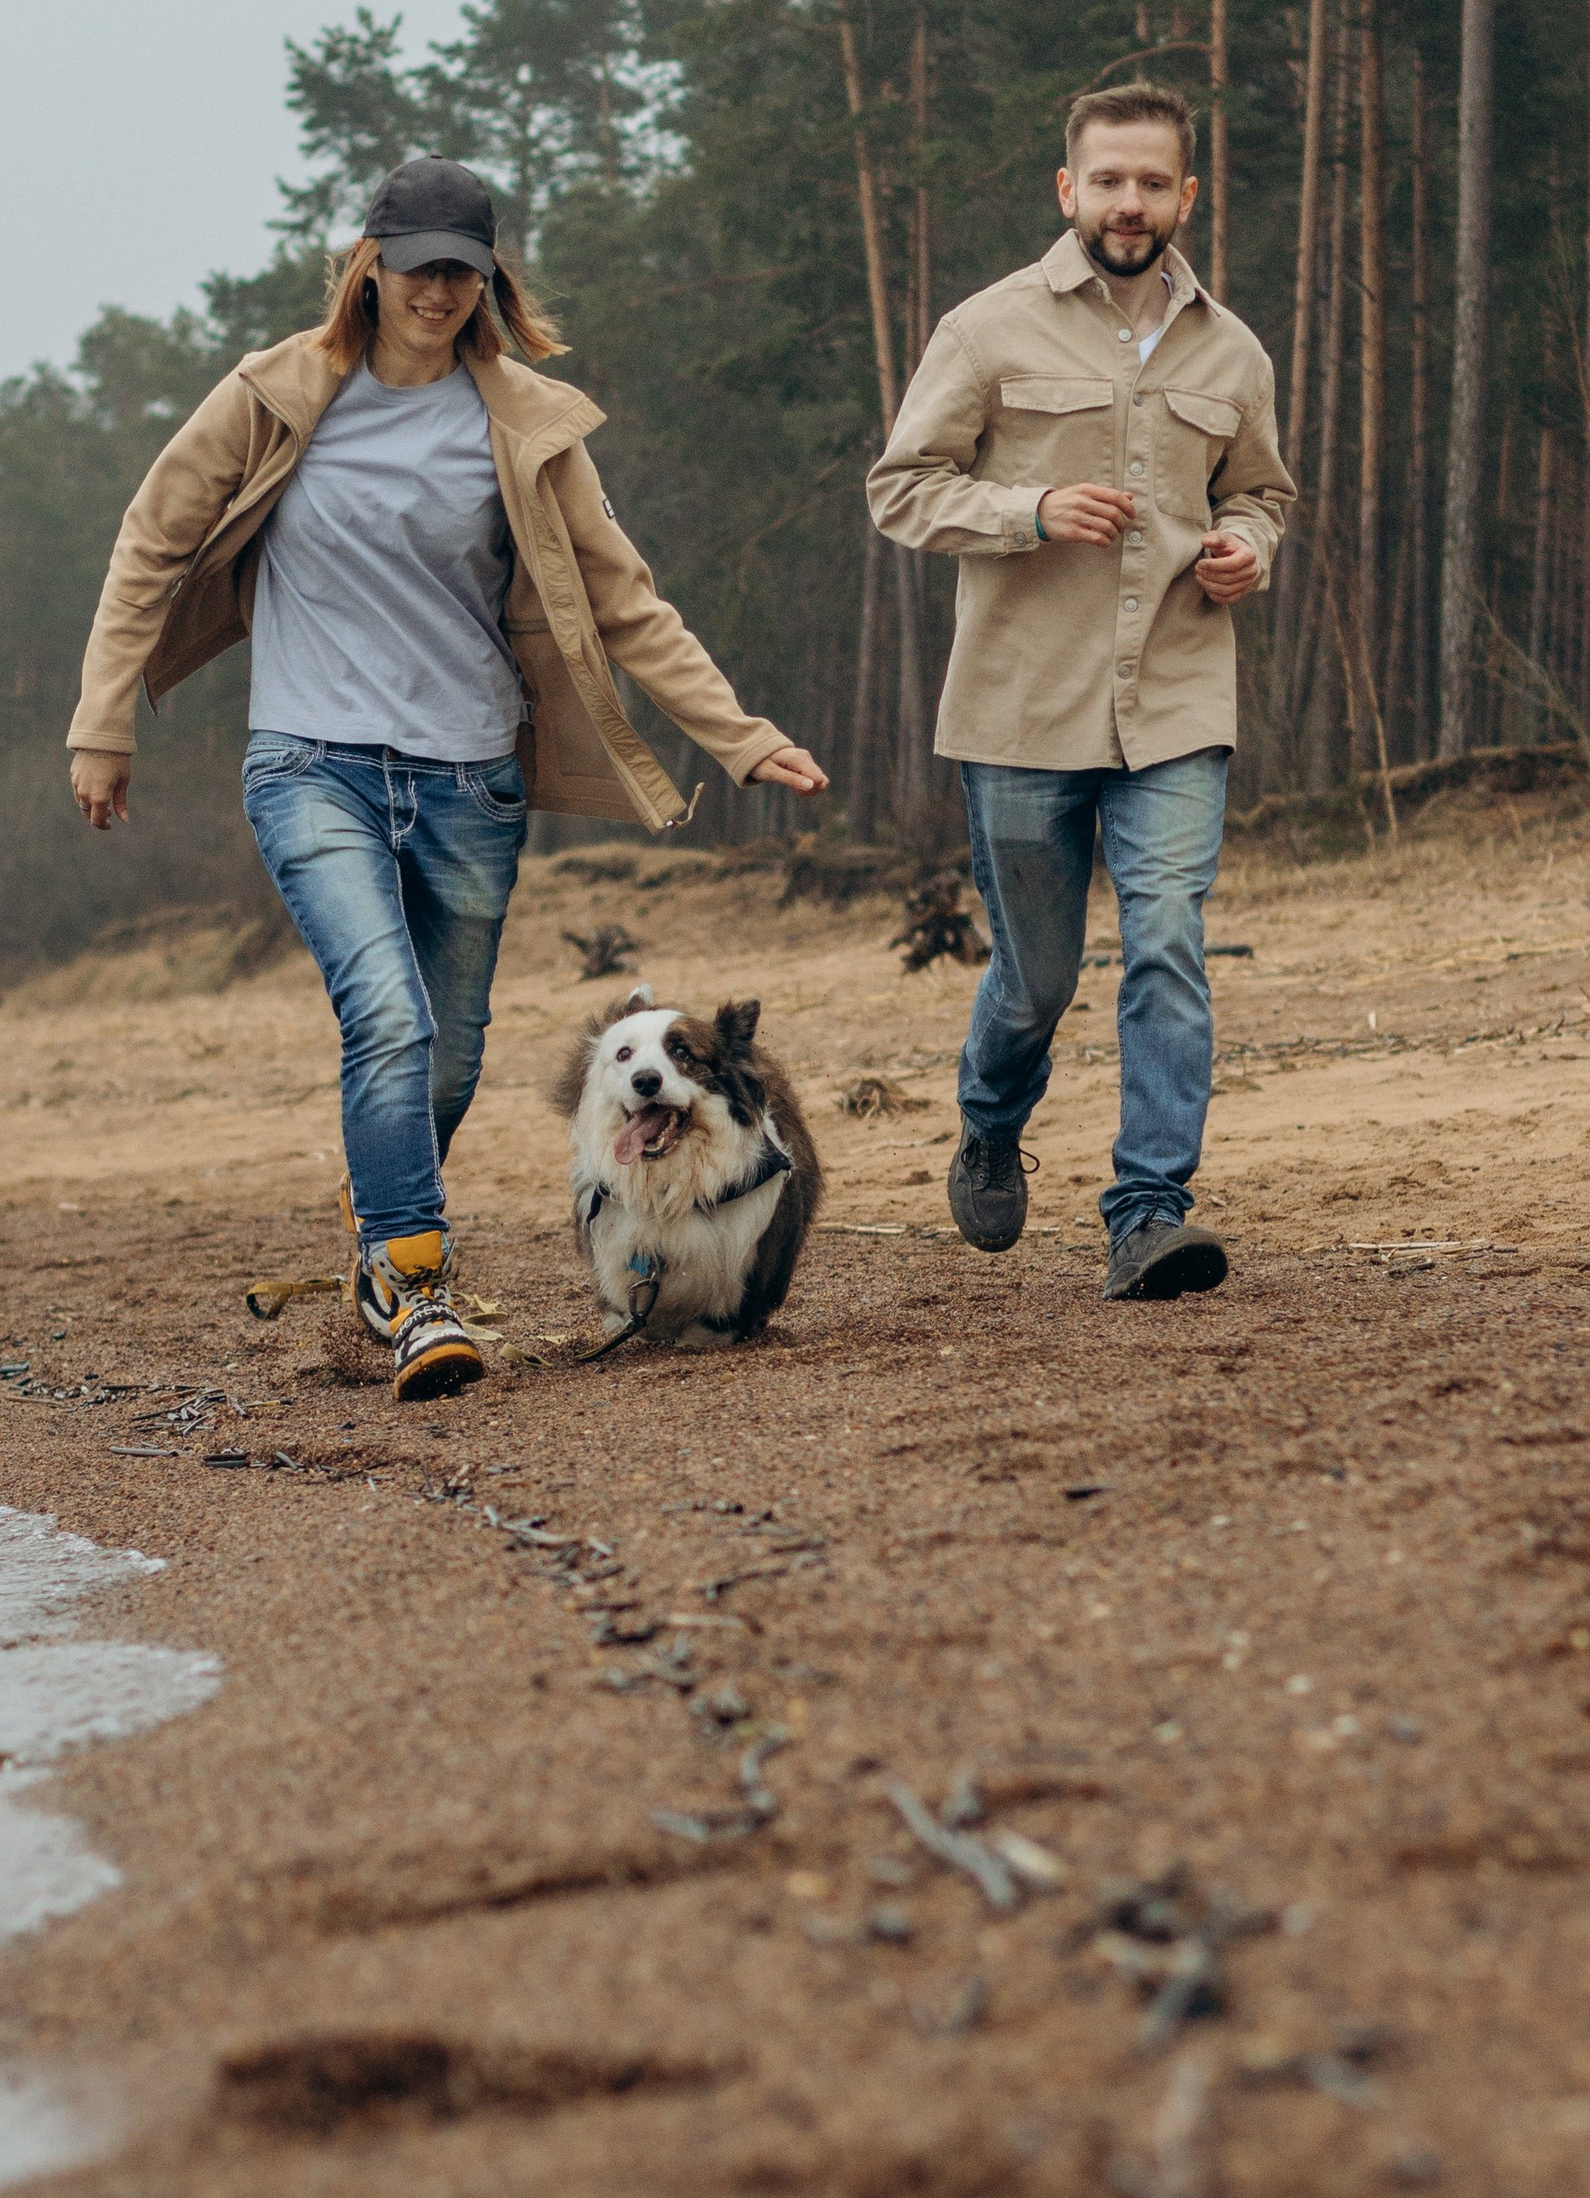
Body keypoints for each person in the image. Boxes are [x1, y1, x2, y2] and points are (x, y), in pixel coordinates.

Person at [67, 158, 828, 1397]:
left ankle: (380, 1243)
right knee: (389, 1015)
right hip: (310, 761)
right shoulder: (274, 394)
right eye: (417, 265)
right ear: (367, 261)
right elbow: (150, 542)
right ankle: (417, 1286)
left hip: (470, 775)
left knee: (451, 1058)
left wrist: (733, 732)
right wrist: (104, 720)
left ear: (489, 279)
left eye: (462, 272)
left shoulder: (523, 421)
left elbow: (625, 601)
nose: (436, 291)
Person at [867, 87, 1293, 1302]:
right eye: (1108, 180)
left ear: (1185, 197)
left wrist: (1246, 548)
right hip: (1019, 710)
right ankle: (992, 1122)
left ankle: (1146, 1209)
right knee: (1037, 980)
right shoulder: (987, 330)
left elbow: (1261, 494)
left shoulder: (1233, 350)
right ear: (1068, 189)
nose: (1129, 203)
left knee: (1165, 938)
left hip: (1174, 699)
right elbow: (900, 489)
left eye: (1153, 183)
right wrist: (1029, 511)